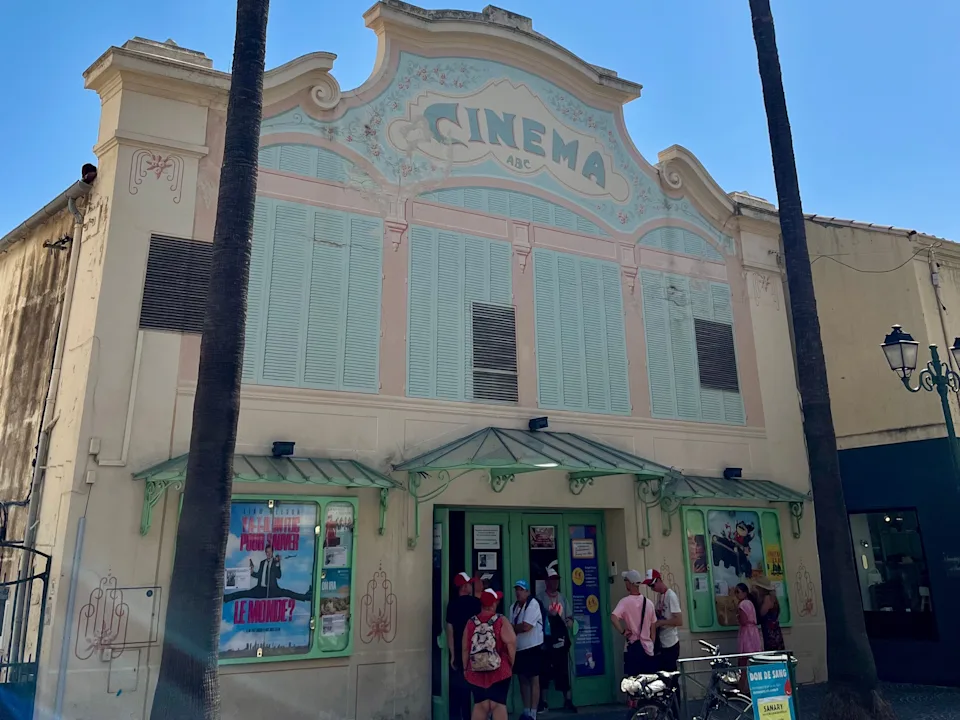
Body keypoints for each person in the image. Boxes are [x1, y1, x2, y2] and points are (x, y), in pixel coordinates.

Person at [463, 589, 516, 720]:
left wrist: (466, 668)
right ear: (493, 604)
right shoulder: (500, 620)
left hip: (475, 673)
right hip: (500, 671)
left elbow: (465, 648)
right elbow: (511, 642)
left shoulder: (471, 622)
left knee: (480, 705)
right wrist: (510, 662)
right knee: (498, 705)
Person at [537, 565, 576, 713]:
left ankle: (568, 700)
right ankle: (544, 702)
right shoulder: (540, 598)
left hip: (561, 640)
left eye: (557, 580)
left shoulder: (563, 597)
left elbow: (570, 617)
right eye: (552, 580)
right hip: (547, 641)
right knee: (545, 672)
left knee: (563, 671)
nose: (555, 583)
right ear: (546, 581)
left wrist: (569, 623)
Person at [223, 543, 311, 603]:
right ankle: (226, 598)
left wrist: (277, 564)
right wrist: (252, 572)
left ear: (272, 552)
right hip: (260, 589)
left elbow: (278, 576)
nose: (268, 554)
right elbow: (259, 576)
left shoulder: (275, 562)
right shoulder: (262, 563)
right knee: (243, 593)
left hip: (273, 590)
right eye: (267, 552)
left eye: (270, 552)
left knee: (288, 593)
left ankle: (306, 597)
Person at [447, 572, 482, 720]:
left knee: (461, 687)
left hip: (460, 651)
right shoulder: (476, 603)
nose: (470, 586)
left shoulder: (452, 605)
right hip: (476, 649)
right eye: (468, 583)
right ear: (463, 586)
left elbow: (450, 630)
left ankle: (460, 716)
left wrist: (452, 654)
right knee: (477, 687)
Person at [611, 570, 657, 677]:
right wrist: (651, 644)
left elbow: (613, 617)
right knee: (649, 684)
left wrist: (623, 631)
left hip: (633, 648)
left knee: (633, 685)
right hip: (648, 650)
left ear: (630, 583)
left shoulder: (625, 602)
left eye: (625, 580)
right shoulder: (649, 603)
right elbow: (653, 628)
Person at [511, 580, 544, 720]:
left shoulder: (533, 604)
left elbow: (526, 626)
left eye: (521, 589)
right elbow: (513, 626)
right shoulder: (513, 607)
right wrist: (516, 627)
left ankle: (533, 712)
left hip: (533, 647)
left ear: (527, 592)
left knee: (534, 679)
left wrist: (515, 627)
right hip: (519, 649)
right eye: (517, 589)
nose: (518, 592)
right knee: (522, 679)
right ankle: (526, 711)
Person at [642, 569, 682, 672]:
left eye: (652, 585)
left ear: (659, 580)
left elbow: (679, 620)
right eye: (649, 586)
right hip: (662, 643)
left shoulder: (671, 596)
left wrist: (661, 623)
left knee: (670, 676)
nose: (652, 589)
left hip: (670, 643)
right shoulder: (660, 596)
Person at [734, 582, 763, 693]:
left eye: (738, 592)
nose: (736, 594)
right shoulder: (750, 603)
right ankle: (754, 686)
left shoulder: (743, 604)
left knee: (743, 661)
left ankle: (742, 688)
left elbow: (743, 621)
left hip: (747, 633)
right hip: (753, 632)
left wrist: (737, 616)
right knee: (754, 660)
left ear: (744, 592)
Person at [753, 576, 785, 651]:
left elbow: (762, 613)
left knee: (771, 652)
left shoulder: (767, 598)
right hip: (774, 629)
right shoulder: (773, 598)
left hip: (769, 631)